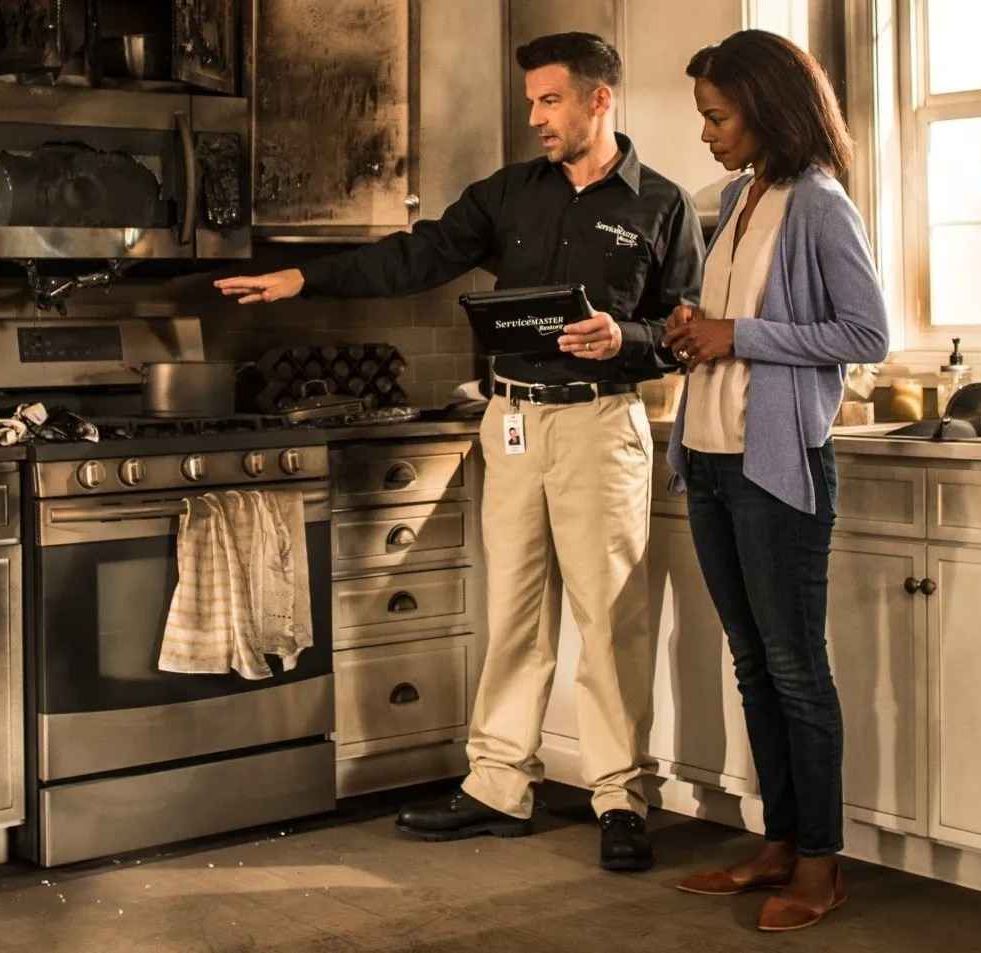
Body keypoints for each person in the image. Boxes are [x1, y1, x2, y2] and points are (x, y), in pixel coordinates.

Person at [215, 32, 704, 873]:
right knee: (512, 611)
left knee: (610, 619)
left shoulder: (661, 204)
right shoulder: (509, 195)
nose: (536, 119)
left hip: (600, 424)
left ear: (599, 100)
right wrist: (303, 279)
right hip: (511, 425)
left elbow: (684, 333)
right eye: (531, 103)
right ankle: (498, 785)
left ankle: (619, 796)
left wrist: (625, 335)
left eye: (551, 101)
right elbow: (418, 255)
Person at [660, 30, 889, 931]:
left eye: (718, 117)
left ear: (767, 107)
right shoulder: (737, 198)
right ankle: (779, 842)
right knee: (754, 666)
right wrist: (696, 327)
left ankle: (823, 863)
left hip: (777, 472)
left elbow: (866, 335)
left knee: (796, 670)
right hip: (712, 462)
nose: (709, 135)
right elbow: (736, 323)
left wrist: (735, 336)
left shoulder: (819, 204)